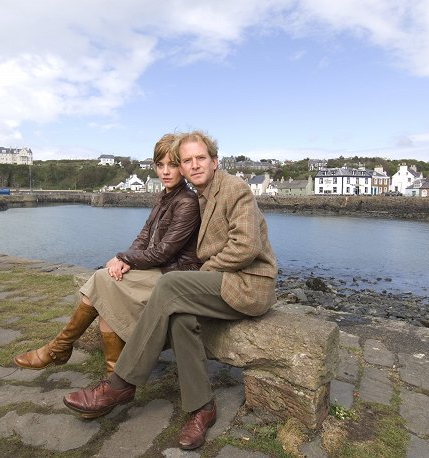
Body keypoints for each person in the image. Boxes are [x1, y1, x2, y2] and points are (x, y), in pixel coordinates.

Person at [63, 130, 278, 450]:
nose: (194, 165)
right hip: (221, 284)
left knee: (171, 284)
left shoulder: (235, 189)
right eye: (187, 160)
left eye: (200, 158)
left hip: (247, 284)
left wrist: (200, 274)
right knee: (180, 318)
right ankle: (202, 408)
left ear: (215, 161)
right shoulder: (200, 196)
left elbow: (245, 247)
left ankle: (120, 384)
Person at [13, 133, 202, 373]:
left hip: (173, 275)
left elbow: (164, 252)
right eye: (160, 165)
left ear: (183, 168)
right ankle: (107, 372)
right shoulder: (165, 197)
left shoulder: (186, 202)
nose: (165, 171)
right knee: (106, 285)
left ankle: (60, 349)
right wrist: (125, 259)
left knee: (103, 281)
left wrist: (124, 258)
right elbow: (143, 238)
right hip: (159, 269)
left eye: (172, 165)